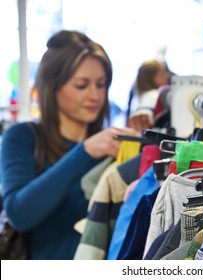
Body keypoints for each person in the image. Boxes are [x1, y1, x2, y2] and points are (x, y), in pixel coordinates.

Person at [0, 30, 140, 260]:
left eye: (101, 84)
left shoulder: (111, 144)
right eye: (81, 85)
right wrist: (83, 152)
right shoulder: (22, 137)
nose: (95, 95)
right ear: (52, 86)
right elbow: (19, 214)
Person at [126, 59, 171, 132]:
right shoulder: (153, 94)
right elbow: (146, 109)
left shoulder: (137, 97)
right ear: (152, 77)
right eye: (162, 73)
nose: (167, 75)